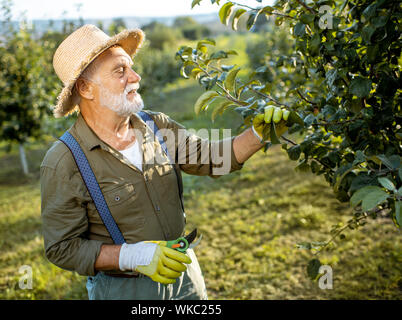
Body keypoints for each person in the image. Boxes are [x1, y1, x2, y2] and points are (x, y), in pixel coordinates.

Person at [40, 24, 289, 300]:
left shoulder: (156, 125)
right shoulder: (66, 160)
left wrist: (258, 134)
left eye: (131, 68)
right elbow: (62, 247)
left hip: (184, 271)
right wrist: (136, 256)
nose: (135, 77)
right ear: (86, 88)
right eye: (120, 71)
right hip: (125, 289)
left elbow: (210, 158)